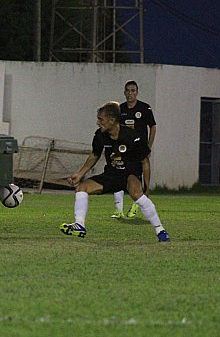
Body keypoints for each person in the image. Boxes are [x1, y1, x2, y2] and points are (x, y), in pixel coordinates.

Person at [59, 101, 170, 242]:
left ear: (112, 120)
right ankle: (79, 225)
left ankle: (160, 231)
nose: (98, 123)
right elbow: (95, 155)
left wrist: (146, 187)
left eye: (101, 119)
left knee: (137, 194)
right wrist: (79, 174)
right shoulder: (100, 135)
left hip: (130, 174)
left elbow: (145, 162)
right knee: (82, 188)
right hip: (111, 175)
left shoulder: (132, 136)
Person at [111, 80, 157, 219]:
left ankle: (136, 207)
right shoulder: (120, 109)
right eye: (128, 90)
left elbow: (153, 127)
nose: (130, 93)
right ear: (124, 92)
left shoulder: (144, 108)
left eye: (133, 91)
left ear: (137, 92)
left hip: (139, 149)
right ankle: (118, 210)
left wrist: (148, 146)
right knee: (118, 175)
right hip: (123, 149)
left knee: (138, 177)